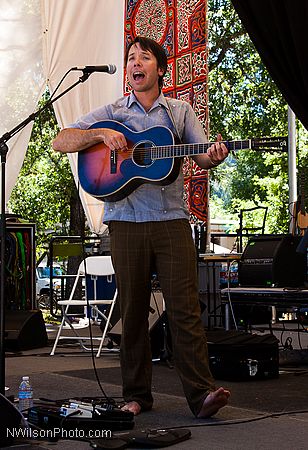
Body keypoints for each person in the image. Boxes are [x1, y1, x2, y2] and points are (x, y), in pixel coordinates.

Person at [53, 36, 230, 418]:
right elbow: (60, 140)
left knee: (184, 310)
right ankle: (136, 395)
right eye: (130, 57)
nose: (135, 63)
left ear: (160, 69)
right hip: (126, 221)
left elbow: (201, 154)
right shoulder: (114, 111)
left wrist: (214, 156)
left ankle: (202, 396)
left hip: (171, 222)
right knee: (132, 311)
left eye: (144, 57)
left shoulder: (180, 113)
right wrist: (100, 134)